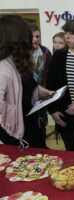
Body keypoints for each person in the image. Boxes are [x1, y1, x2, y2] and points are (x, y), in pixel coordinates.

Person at [0, 15, 54, 148]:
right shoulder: (4, 67)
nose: (32, 39)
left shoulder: (20, 61)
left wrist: (42, 92)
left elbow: (25, 88)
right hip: (17, 132)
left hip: (31, 124)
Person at [46, 20, 74, 152]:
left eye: (71, 33)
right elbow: (51, 85)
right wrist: (52, 110)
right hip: (64, 110)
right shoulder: (59, 56)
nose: (67, 37)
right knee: (72, 150)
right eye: (65, 33)